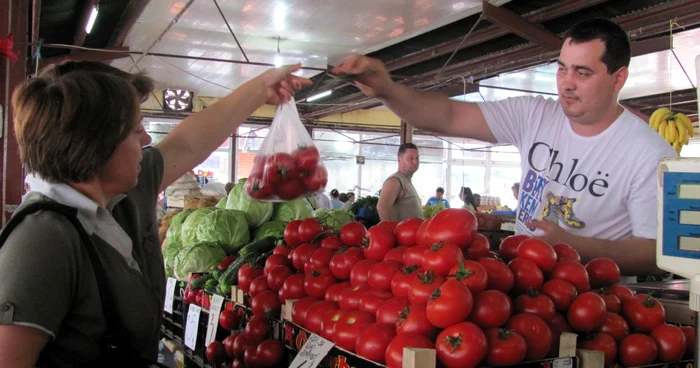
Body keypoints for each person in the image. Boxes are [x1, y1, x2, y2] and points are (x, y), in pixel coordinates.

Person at [0, 61, 309, 367]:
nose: (147, 141)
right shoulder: (41, 241)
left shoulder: (121, 194)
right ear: (97, 146)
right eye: (136, 130)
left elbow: (186, 144)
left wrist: (260, 88)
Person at [333, 18, 677, 276]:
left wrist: (573, 246)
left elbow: (659, 253)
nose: (567, 83)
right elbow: (448, 115)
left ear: (618, 78)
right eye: (561, 69)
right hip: (518, 280)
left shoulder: (649, 154)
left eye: (583, 73)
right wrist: (387, 90)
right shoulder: (535, 115)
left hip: (590, 299)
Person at [377, 143, 423, 221]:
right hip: (402, 232)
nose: (415, 162)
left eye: (417, 158)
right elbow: (382, 207)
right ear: (399, 160)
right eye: (411, 158)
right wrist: (390, 230)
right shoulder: (394, 181)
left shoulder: (407, 181)